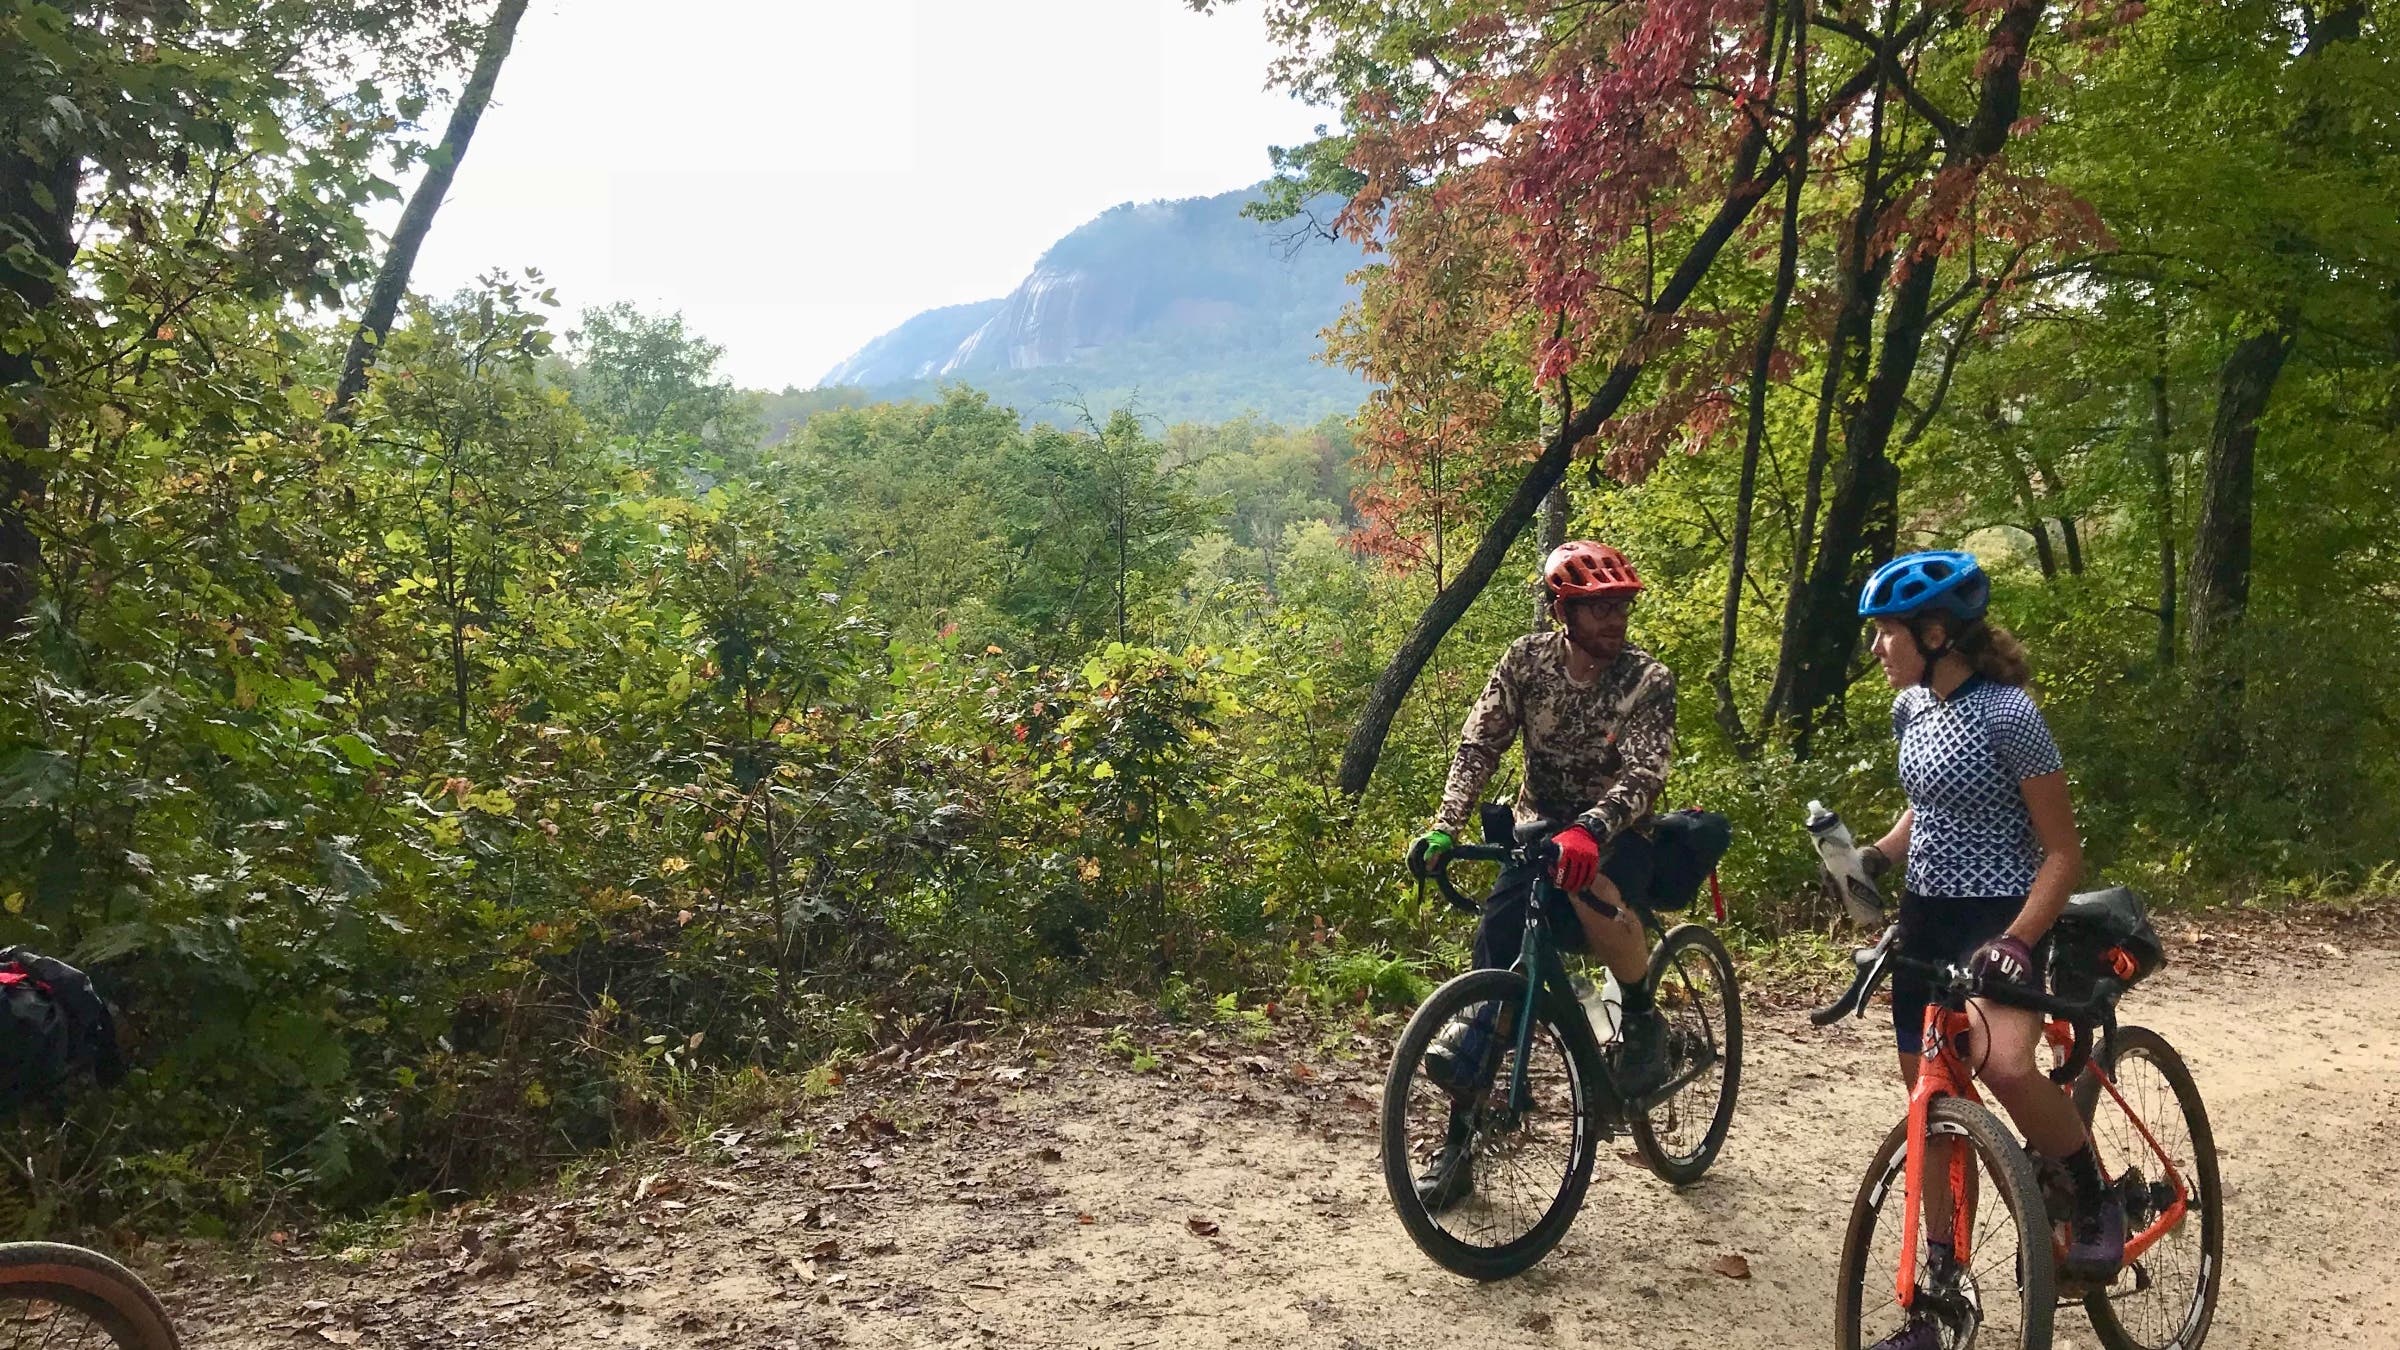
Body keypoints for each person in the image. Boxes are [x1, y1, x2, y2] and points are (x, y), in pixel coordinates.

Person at [1848, 549, 2122, 1349]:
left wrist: (2017, 938)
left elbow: (2063, 853)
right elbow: (1927, 809)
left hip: (2005, 918)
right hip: (1927, 919)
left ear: (1936, 632)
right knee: (1929, 1109)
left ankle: (2095, 1191)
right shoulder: (1912, 711)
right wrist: (1872, 857)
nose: (1876, 649)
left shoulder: (2010, 714)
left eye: (1886, 632)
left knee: (2003, 1065)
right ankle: (1938, 1298)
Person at [1406, 540, 1677, 1207]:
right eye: (1598, 609)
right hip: (1537, 830)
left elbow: (1645, 772)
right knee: (1490, 982)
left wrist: (1592, 826)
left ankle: (1642, 1020)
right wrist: (1447, 823)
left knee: (1591, 899)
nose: (1614, 620)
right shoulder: (1525, 663)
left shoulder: (1648, 678)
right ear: (1565, 611)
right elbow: (1480, 743)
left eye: (1620, 608)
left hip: (1618, 831)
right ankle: (1459, 1145)